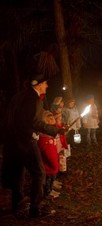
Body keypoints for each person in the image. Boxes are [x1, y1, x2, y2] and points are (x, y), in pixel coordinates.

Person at [1, 73, 66, 218]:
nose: (47, 86)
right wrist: (55, 130)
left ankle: (17, 205)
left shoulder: (18, 96)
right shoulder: (35, 99)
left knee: (19, 174)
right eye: (45, 84)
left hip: (13, 142)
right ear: (39, 85)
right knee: (39, 173)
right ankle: (35, 208)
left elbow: (11, 118)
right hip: (26, 142)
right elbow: (35, 122)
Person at [38, 111, 60, 199]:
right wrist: (55, 165)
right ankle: (47, 194)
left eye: (53, 117)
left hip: (50, 166)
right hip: (48, 167)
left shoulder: (49, 134)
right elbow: (49, 154)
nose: (53, 119)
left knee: (50, 180)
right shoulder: (46, 139)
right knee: (48, 181)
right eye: (50, 118)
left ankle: (49, 191)